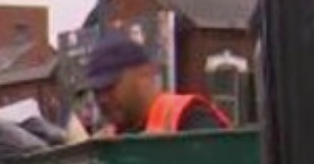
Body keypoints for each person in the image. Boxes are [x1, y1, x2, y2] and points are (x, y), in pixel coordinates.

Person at [85, 32, 231, 134]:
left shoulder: (189, 116)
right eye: (97, 91)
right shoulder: (108, 142)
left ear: (144, 73)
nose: (102, 99)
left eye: (110, 86)